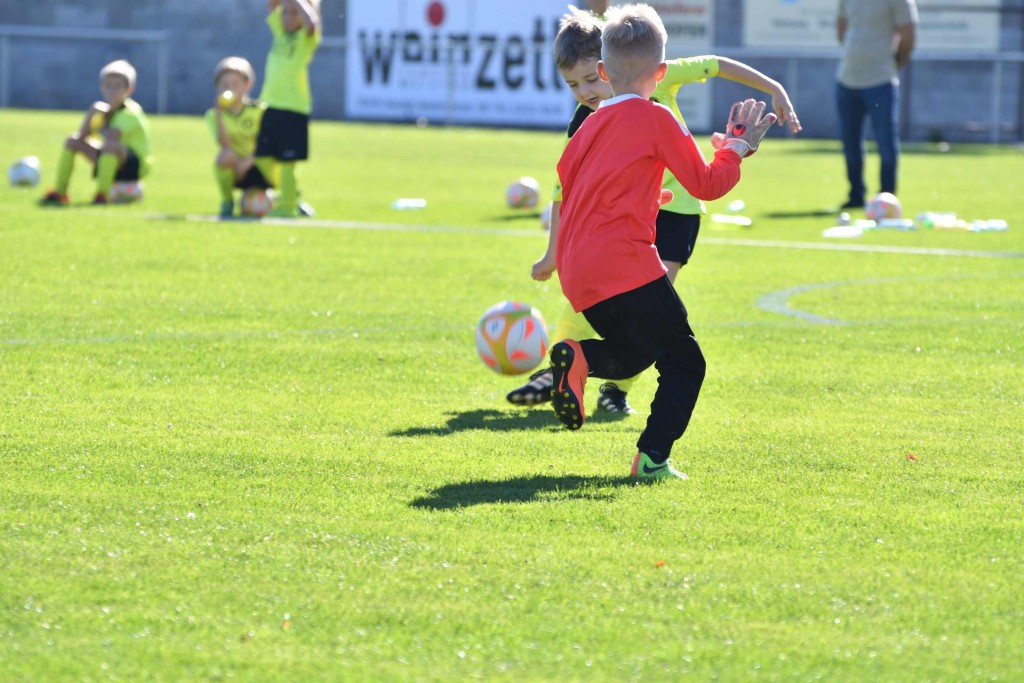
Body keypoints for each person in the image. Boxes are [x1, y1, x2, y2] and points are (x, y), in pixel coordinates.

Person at [506, 4, 801, 411]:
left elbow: (716, 64)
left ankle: (613, 388)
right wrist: (552, 251)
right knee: (636, 315)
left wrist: (774, 87)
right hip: (622, 221)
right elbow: (564, 190)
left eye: (591, 79)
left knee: (651, 314)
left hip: (676, 210)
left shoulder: (654, 79)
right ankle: (568, 365)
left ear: (608, 67)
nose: (586, 92)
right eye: (574, 86)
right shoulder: (586, 122)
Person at [550, 2, 776, 481]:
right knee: (685, 361)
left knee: (638, 349)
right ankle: (652, 459)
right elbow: (709, 185)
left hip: (577, 271)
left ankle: (582, 357)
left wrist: (648, 197)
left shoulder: (587, 125)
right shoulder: (657, 118)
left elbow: (574, 184)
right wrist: (735, 148)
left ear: (605, 70)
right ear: (659, 71)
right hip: (621, 265)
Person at [836, 0, 918, 209]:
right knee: (850, 143)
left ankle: (886, 200)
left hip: (881, 80)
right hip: (848, 78)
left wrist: (894, 64)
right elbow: (841, 27)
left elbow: (908, 35)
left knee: (886, 142)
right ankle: (856, 196)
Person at [40, 60, 153, 206]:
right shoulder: (102, 110)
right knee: (72, 141)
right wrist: (91, 114)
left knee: (110, 146)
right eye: (108, 86)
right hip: (108, 158)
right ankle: (60, 192)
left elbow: (112, 136)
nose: (112, 91)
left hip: (133, 165)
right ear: (102, 87)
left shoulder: (130, 111)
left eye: (117, 86)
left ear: (129, 89)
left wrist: (99, 123)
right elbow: (82, 136)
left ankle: (102, 195)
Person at [254, 0, 321, 218]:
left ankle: (287, 208)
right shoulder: (280, 34)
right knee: (263, 158)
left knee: (287, 162)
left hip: (294, 109)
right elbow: (272, 5)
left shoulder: (305, 39)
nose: (288, 17)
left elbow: (312, 23)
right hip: (270, 105)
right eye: (287, 12)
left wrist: (300, 2)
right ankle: (293, 195)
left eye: (294, 13)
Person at [206, 56, 276, 218]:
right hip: (236, 167)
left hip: (258, 165)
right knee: (224, 157)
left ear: (248, 85)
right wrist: (219, 114)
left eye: (235, 84)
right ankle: (227, 201)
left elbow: (267, 143)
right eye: (224, 84)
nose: (229, 89)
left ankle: (289, 196)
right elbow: (224, 145)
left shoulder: (259, 111)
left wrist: (248, 161)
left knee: (258, 205)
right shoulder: (212, 115)